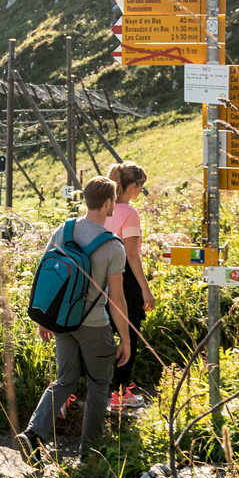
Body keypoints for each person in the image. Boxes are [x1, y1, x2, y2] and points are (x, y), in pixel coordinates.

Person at [17, 176, 131, 464]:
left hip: (63, 321)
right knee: (98, 384)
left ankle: (33, 435)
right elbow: (117, 299)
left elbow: (48, 277)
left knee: (65, 379)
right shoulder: (112, 246)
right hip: (94, 325)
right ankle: (89, 454)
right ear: (107, 203)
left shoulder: (64, 229)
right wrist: (126, 340)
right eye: (113, 202)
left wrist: (46, 318)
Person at [105, 162, 154, 412]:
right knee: (128, 335)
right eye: (140, 187)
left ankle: (73, 393)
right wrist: (146, 289)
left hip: (101, 278)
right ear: (132, 186)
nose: (140, 192)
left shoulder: (104, 209)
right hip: (125, 280)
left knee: (103, 335)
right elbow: (132, 255)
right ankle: (121, 393)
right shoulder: (130, 213)